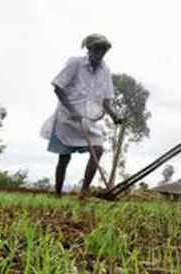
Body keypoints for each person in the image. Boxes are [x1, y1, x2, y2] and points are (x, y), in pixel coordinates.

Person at [40, 34, 123, 199]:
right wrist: (72, 111)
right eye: (97, 50)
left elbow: (106, 100)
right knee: (64, 157)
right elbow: (58, 87)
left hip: (87, 120)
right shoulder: (75, 63)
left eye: (103, 51)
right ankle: (57, 193)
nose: (100, 54)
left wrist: (115, 117)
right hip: (67, 118)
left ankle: (84, 192)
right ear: (89, 49)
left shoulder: (105, 71)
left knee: (97, 150)